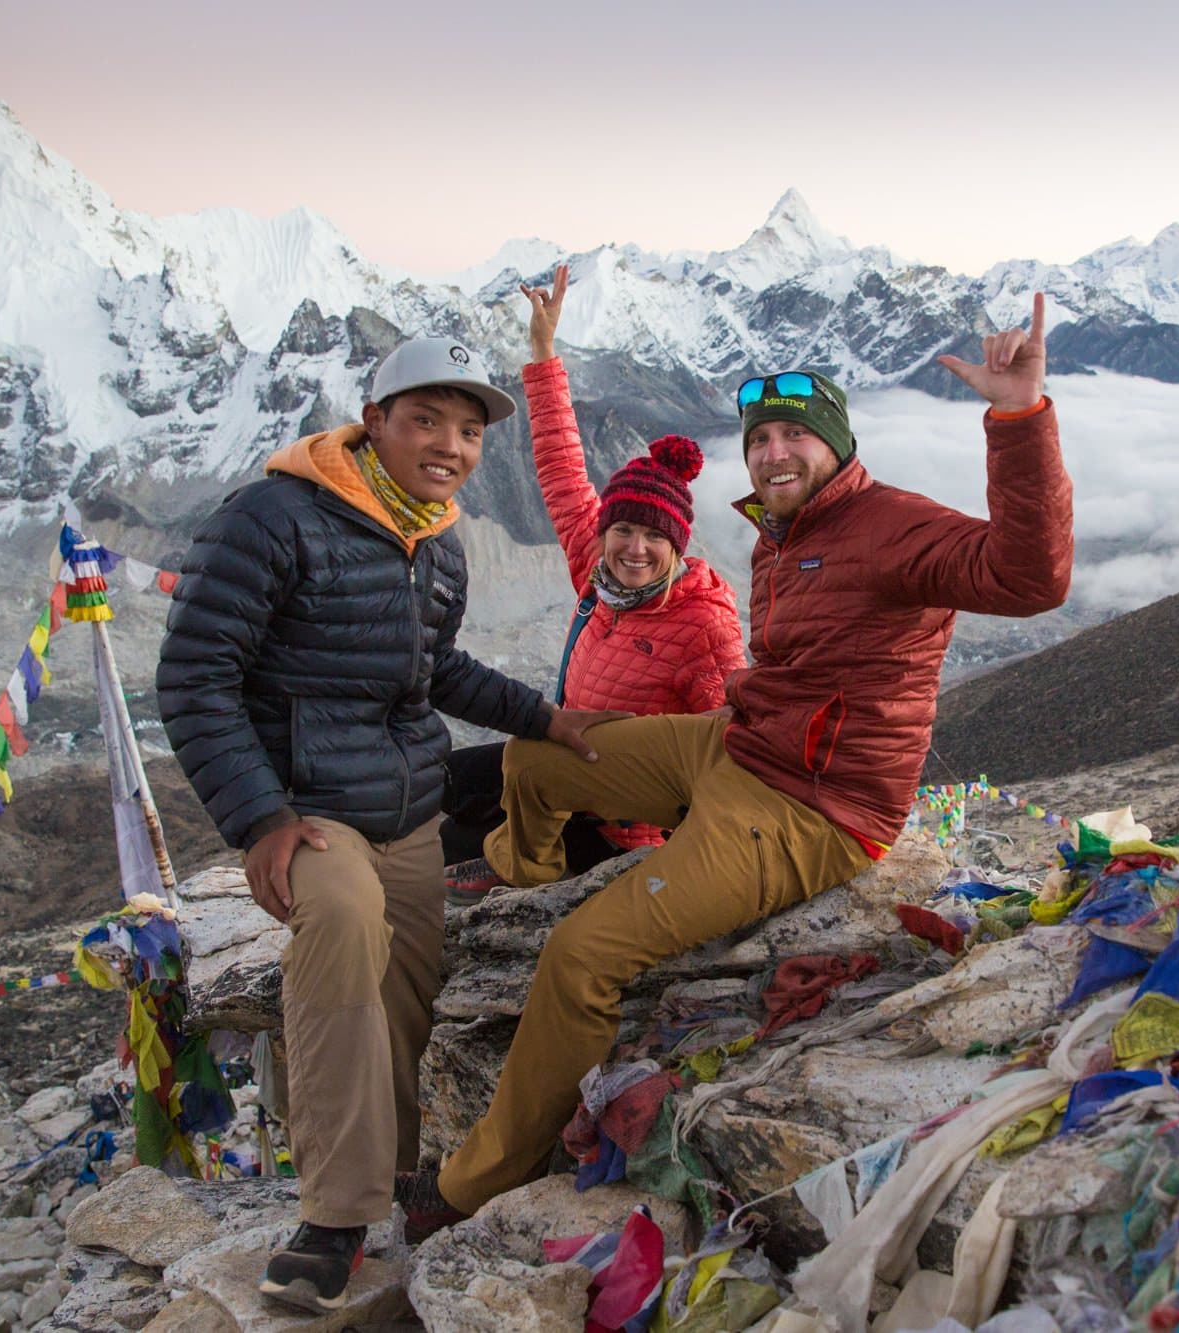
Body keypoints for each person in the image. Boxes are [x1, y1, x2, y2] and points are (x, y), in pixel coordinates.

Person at [420, 295, 1073, 1228]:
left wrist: (1018, 418)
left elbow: (1031, 577)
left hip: (813, 807)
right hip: (738, 748)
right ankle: (523, 875)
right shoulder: (785, 533)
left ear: (837, 446)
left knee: (581, 955)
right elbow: (573, 487)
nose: (773, 452)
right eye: (760, 436)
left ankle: (472, 1181)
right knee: (539, 755)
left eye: (794, 437)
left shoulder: (892, 526)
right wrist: (542, 356)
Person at [156, 337, 623, 1313]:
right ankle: (333, 1212)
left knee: (406, 996)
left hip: (407, 807)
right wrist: (260, 819)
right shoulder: (274, 517)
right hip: (308, 814)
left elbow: (434, 674)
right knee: (337, 930)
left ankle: (403, 1182)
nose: (449, 444)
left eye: (467, 428)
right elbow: (195, 677)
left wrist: (545, 719)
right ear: (374, 422)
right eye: (425, 420)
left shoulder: (435, 542)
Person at [440, 265, 746, 902]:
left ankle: (525, 879)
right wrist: (543, 353)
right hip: (565, 766)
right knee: (441, 785)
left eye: (655, 538)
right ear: (605, 531)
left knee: (456, 843)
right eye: (624, 529)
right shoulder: (595, 568)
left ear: (676, 546)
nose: (636, 549)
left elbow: (726, 742)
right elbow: (559, 461)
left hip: (622, 829)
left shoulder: (702, 624)